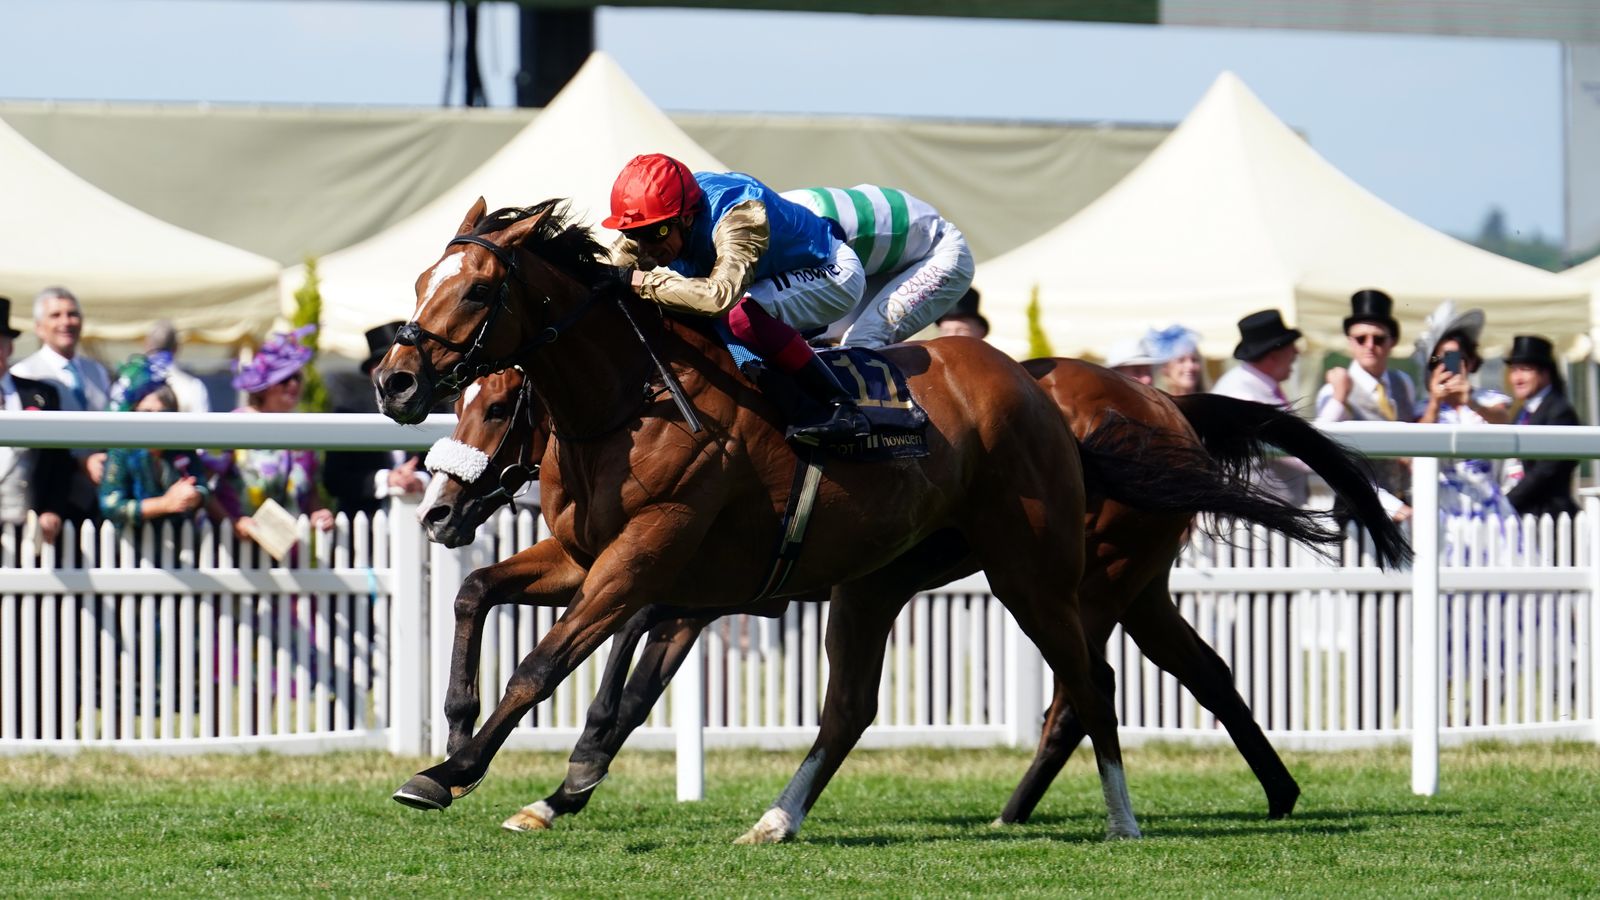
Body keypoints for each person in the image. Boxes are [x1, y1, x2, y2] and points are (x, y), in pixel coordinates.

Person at [604, 153, 868, 444]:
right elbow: (604, 270)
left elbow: (720, 297)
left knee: (737, 315)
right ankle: (794, 408)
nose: (644, 246)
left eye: (655, 233)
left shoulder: (739, 215)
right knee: (703, 320)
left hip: (832, 273)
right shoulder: (658, 219)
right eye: (632, 234)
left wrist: (640, 281)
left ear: (687, 217)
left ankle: (841, 408)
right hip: (768, 282)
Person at [781, 184, 974, 348]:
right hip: (874, 261)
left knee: (859, 342)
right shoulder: (770, 218)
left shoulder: (798, 237)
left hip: (939, 252)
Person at [212, 325, 335, 541]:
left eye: (297, 377)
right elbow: (206, 485)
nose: (294, 384)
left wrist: (318, 513)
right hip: (239, 552)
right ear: (263, 387)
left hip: (290, 552)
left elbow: (310, 490)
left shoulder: (303, 430)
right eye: (285, 379)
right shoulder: (236, 423)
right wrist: (233, 522)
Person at [11, 286, 112, 523]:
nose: (66, 322)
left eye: (72, 314)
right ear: (39, 327)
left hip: (98, 499)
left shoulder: (96, 371)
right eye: (55, 315)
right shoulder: (24, 374)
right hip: (49, 504)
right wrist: (80, 461)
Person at [1314, 289, 1417, 520]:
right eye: (1361, 339)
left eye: (1378, 338)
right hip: (1358, 512)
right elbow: (1328, 459)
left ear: (1393, 341)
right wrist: (1392, 506)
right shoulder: (1333, 392)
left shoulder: (1404, 383)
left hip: (1404, 508)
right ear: (1350, 342)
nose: (1369, 345)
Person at [98, 354, 227, 531]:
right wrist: (165, 503)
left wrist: (194, 495)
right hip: (131, 547)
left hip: (181, 543)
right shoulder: (122, 450)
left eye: (163, 412)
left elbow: (202, 486)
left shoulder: (180, 446)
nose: (154, 420)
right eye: (146, 412)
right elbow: (111, 505)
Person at [1413, 301, 1514, 522]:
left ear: (1470, 362)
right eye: (1441, 359)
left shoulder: (1489, 399)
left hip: (1489, 509)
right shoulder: (1424, 408)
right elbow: (1414, 447)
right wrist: (1434, 403)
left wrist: (1470, 402)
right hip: (1443, 511)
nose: (1450, 366)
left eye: (1457, 359)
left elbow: (1505, 421)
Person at [322, 322, 429, 519]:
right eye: (387, 362)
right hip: (363, 528)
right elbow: (334, 479)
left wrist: (420, 479)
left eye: (406, 360)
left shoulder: (432, 408)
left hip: (422, 529)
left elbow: (443, 467)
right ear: (374, 370)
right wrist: (387, 479)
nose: (398, 369)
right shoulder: (349, 412)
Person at [1211, 309, 1313, 506]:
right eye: (1290, 346)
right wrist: (1337, 399)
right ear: (1273, 356)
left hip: (1264, 521)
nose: (1296, 352)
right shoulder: (1245, 398)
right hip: (1253, 526)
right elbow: (1304, 456)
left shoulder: (1248, 386)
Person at [0, 296, 71, 544]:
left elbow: (59, 459)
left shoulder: (41, 395)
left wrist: (53, 508)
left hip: (28, 525)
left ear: (9, 348)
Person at [1501, 335, 1581, 519]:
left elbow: (1545, 470)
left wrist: (1507, 502)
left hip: (1548, 515)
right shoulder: (1522, 412)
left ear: (1545, 374)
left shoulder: (1559, 411)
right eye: (1513, 370)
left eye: (1525, 370)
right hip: (1522, 514)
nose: (1517, 378)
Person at [145, 319, 211, 414]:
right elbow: (204, 425)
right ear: (177, 348)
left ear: (146, 345)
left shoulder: (126, 384)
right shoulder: (193, 387)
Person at [1144, 324, 1205, 396]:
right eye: (1181, 360)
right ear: (1165, 367)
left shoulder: (1210, 404)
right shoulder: (1155, 404)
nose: (1190, 365)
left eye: (1194, 360)